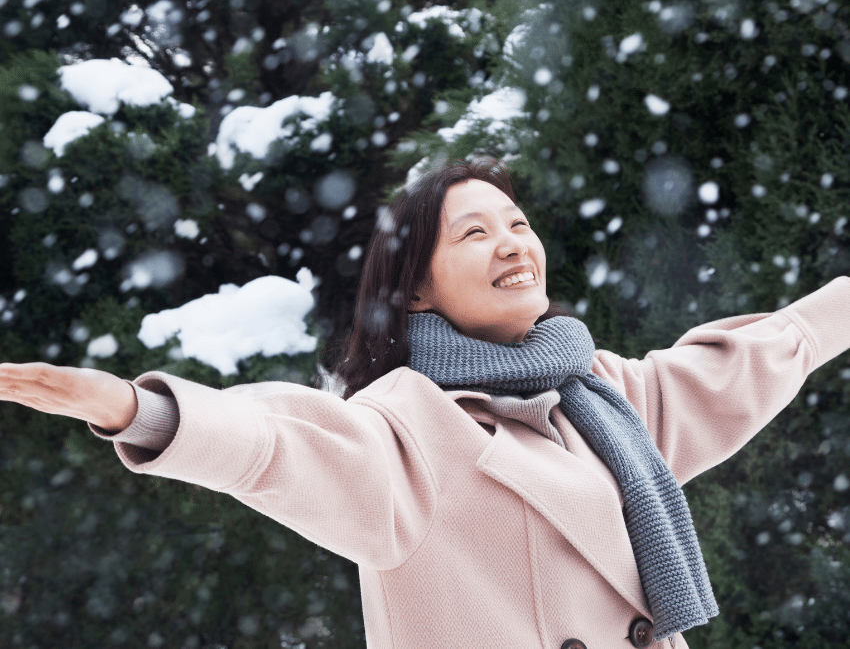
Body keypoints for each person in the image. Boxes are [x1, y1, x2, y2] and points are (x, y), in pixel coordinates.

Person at [1, 157, 849, 649]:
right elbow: (279, 445)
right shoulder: (408, 429)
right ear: (414, 292)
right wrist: (142, 412)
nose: (511, 244)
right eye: (475, 233)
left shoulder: (602, 394)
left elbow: (757, 356)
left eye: (517, 224)